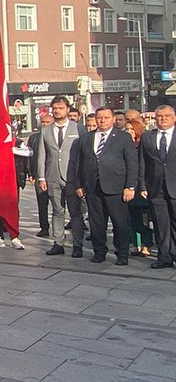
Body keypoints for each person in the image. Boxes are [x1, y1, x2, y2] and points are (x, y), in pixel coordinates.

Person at [72, 107, 138, 265]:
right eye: (99, 117)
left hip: (116, 187)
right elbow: (79, 164)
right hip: (92, 187)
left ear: (113, 119)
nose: (102, 120)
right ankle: (99, 251)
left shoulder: (123, 138)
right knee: (96, 223)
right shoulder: (86, 138)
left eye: (106, 117)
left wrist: (130, 186)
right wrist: (79, 184)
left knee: (119, 222)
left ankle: (122, 254)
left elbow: (132, 163)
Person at [36, 96, 86, 257]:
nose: (57, 111)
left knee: (75, 212)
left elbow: (84, 155)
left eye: (60, 108)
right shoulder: (46, 130)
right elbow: (42, 156)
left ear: (67, 109)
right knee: (57, 211)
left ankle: (78, 244)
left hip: (73, 178)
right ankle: (58, 243)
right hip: (52, 176)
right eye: (55, 108)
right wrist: (41, 177)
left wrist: (82, 179)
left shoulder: (78, 129)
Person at [138, 104, 176, 269]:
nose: (163, 119)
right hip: (155, 188)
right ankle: (164, 256)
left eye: (167, 116)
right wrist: (142, 185)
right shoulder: (147, 137)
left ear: (174, 117)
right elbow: (142, 163)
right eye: (160, 116)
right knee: (161, 225)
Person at [0, 130, 29, 250]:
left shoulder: (18, 142)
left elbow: (28, 153)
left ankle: (14, 234)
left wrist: (29, 173)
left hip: (14, 179)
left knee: (13, 207)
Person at [124, 120, 153, 258]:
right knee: (132, 219)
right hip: (128, 188)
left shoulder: (143, 146)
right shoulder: (123, 145)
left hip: (141, 188)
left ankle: (147, 245)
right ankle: (136, 245)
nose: (129, 131)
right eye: (126, 128)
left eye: (131, 129)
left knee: (144, 219)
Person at [28, 114, 53, 238]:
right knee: (42, 204)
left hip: (54, 176)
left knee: (58, 206)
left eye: (47, 122)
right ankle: (44, 227)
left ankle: (58, 228)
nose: (44, 124)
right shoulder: (34, 138)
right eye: (43, 122)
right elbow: (30, 156)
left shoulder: (56, 137)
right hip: (39, 176)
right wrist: (30, 173)